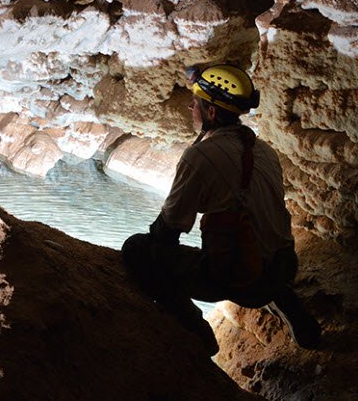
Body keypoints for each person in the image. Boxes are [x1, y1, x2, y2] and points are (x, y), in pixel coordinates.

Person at [122, 64, 321, 356]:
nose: (191, 106)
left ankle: (197, 330)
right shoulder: (264, 150)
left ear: (211, 113)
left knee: (138, 249)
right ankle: (300, 321)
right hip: (285, 265)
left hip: (246, 280)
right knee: (257, 244)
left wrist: (156, 240)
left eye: (196, 102)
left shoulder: (200, 155)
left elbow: (169, 229)